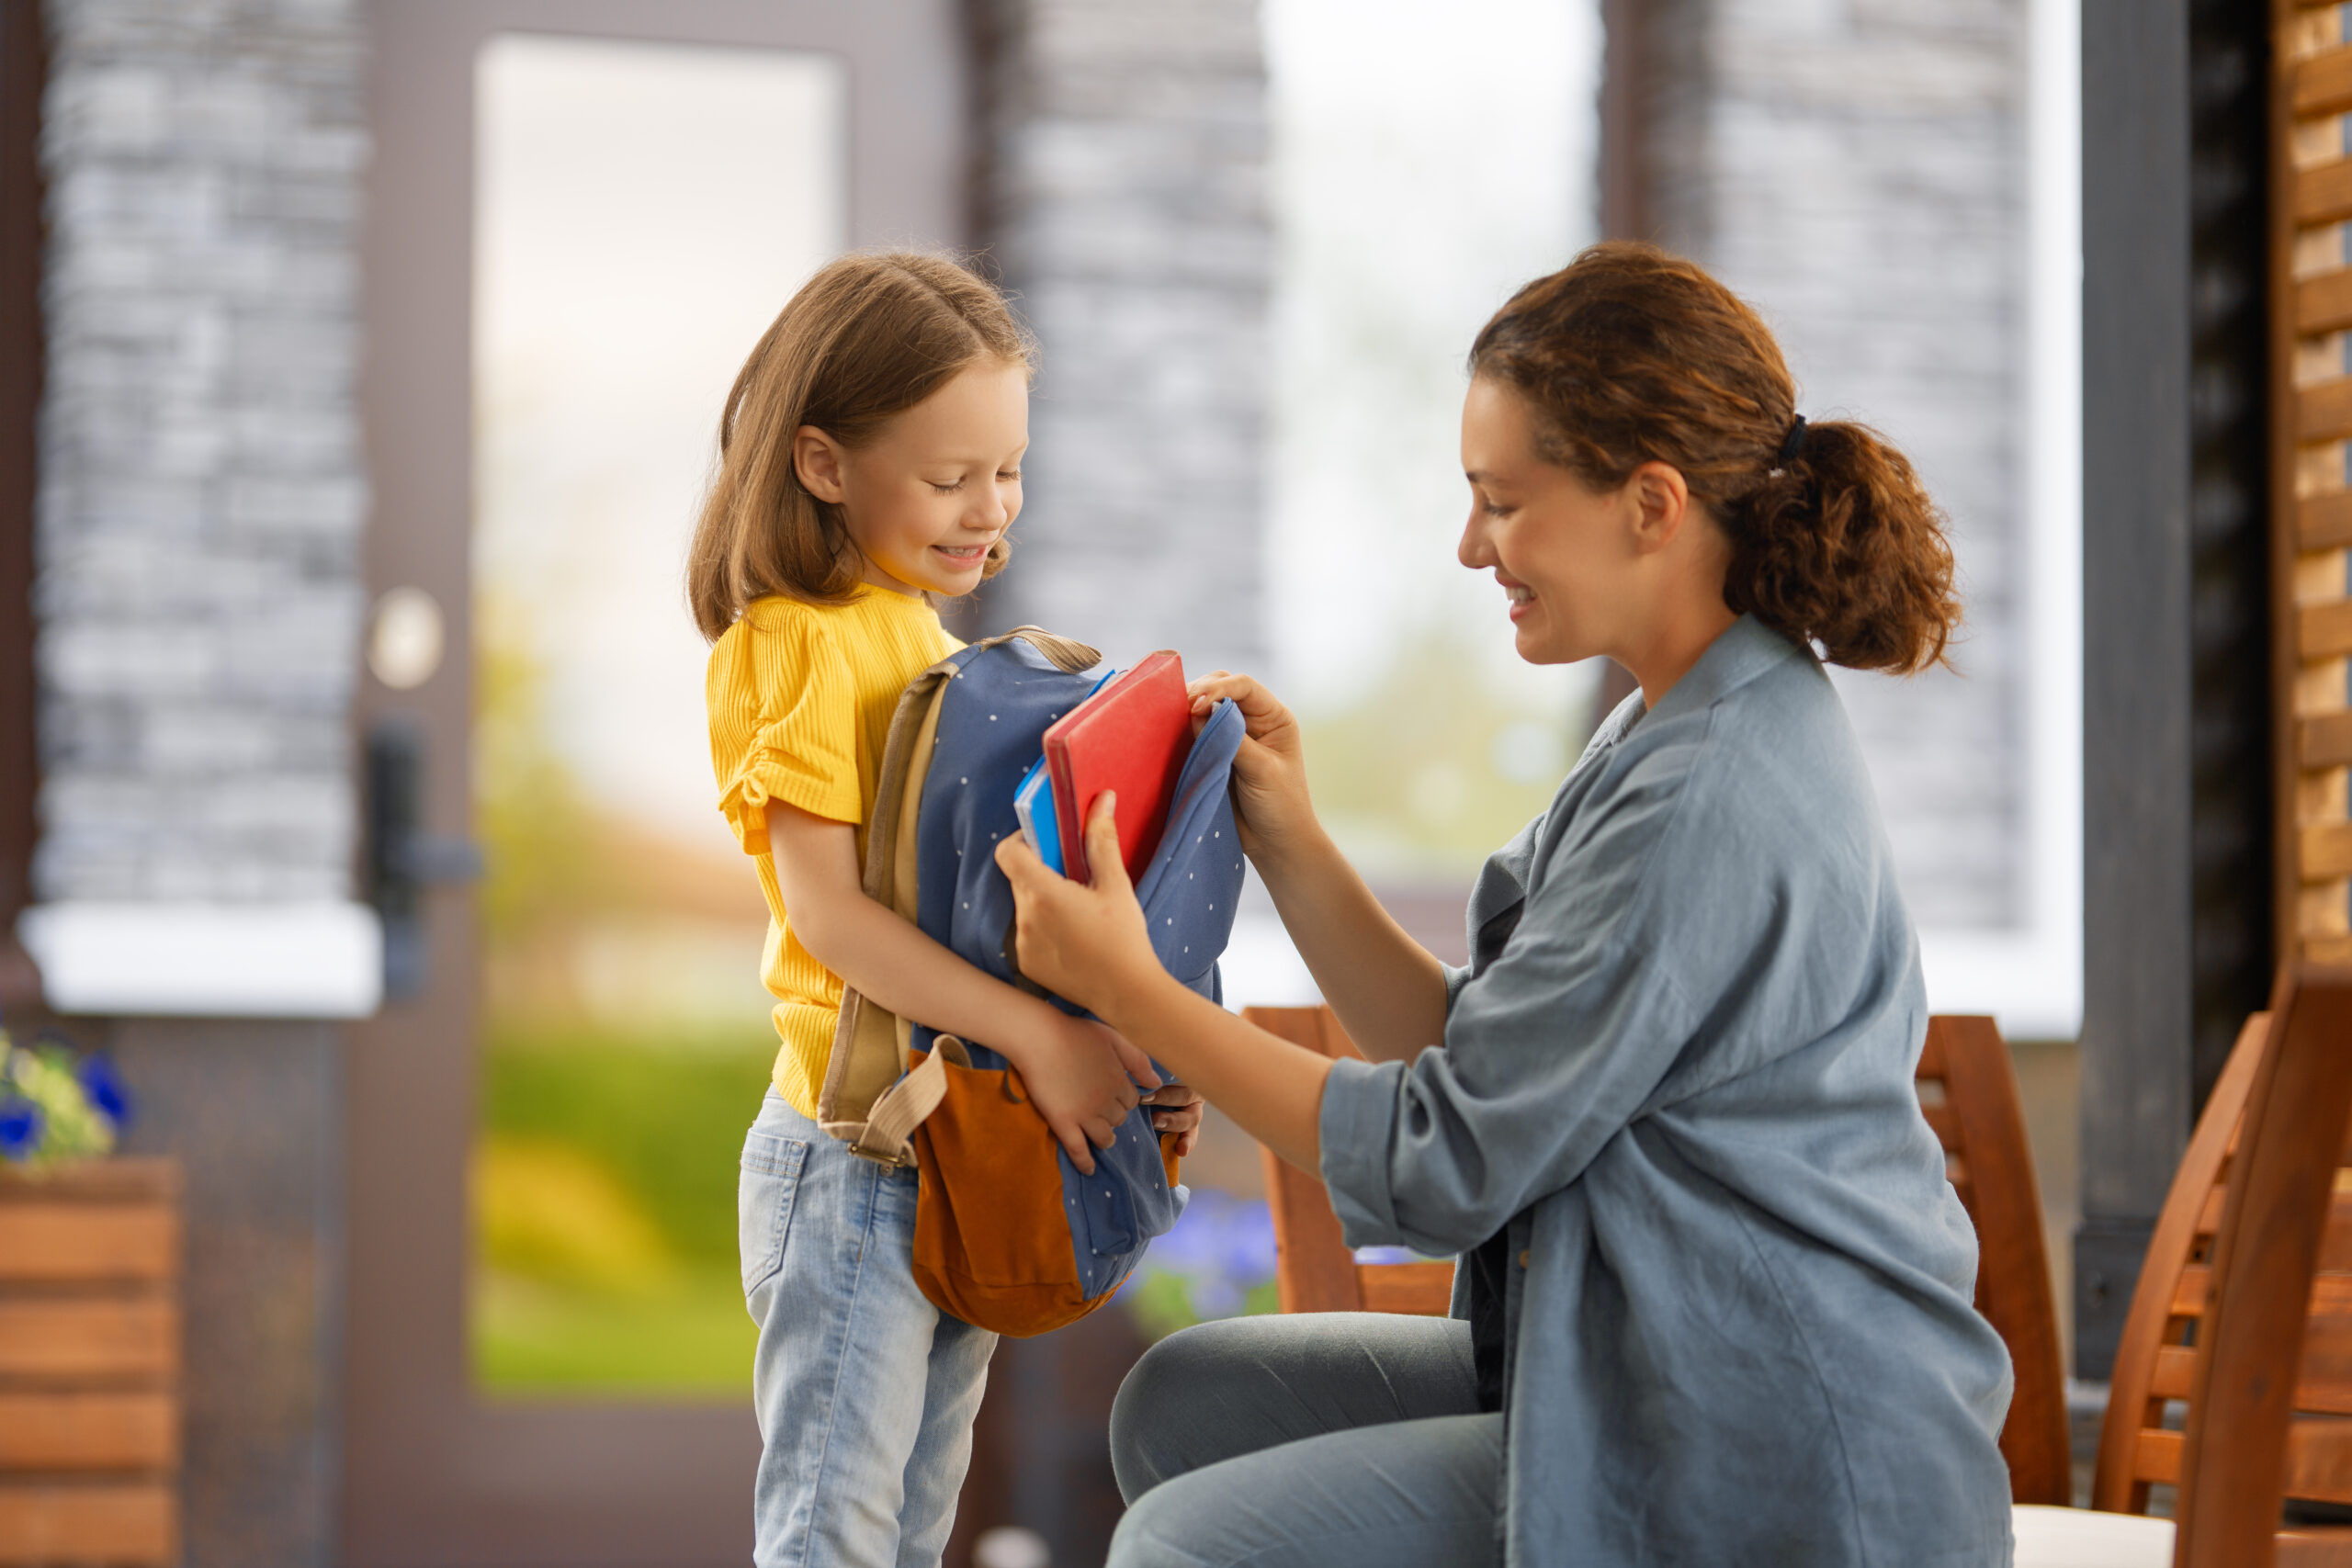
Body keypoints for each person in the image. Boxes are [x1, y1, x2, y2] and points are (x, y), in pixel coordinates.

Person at [994, 242, 2016, 1568]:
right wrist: (1292, 842)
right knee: (1184, 1406)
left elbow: (1447, 1162)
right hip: (1653, 1360)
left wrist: (1132, 995)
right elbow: (1479, 1056)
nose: (1473, 547)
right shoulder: (1680, 721)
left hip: (1767, 1452)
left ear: (1651, 503)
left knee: (1190, 1546)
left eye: (1503, 502)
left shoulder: (1708, 790)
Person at [687, 252, 1202, 1568]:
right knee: (834, 1532)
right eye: (949, 475)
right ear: (822, 463)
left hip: (942, 1152)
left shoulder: (919, 631)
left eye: (1010, 469)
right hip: (854, 1151)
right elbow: (833, 923)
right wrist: (1038, 1040)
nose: (991, 509)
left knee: (911, 1529)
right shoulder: (798, 639)